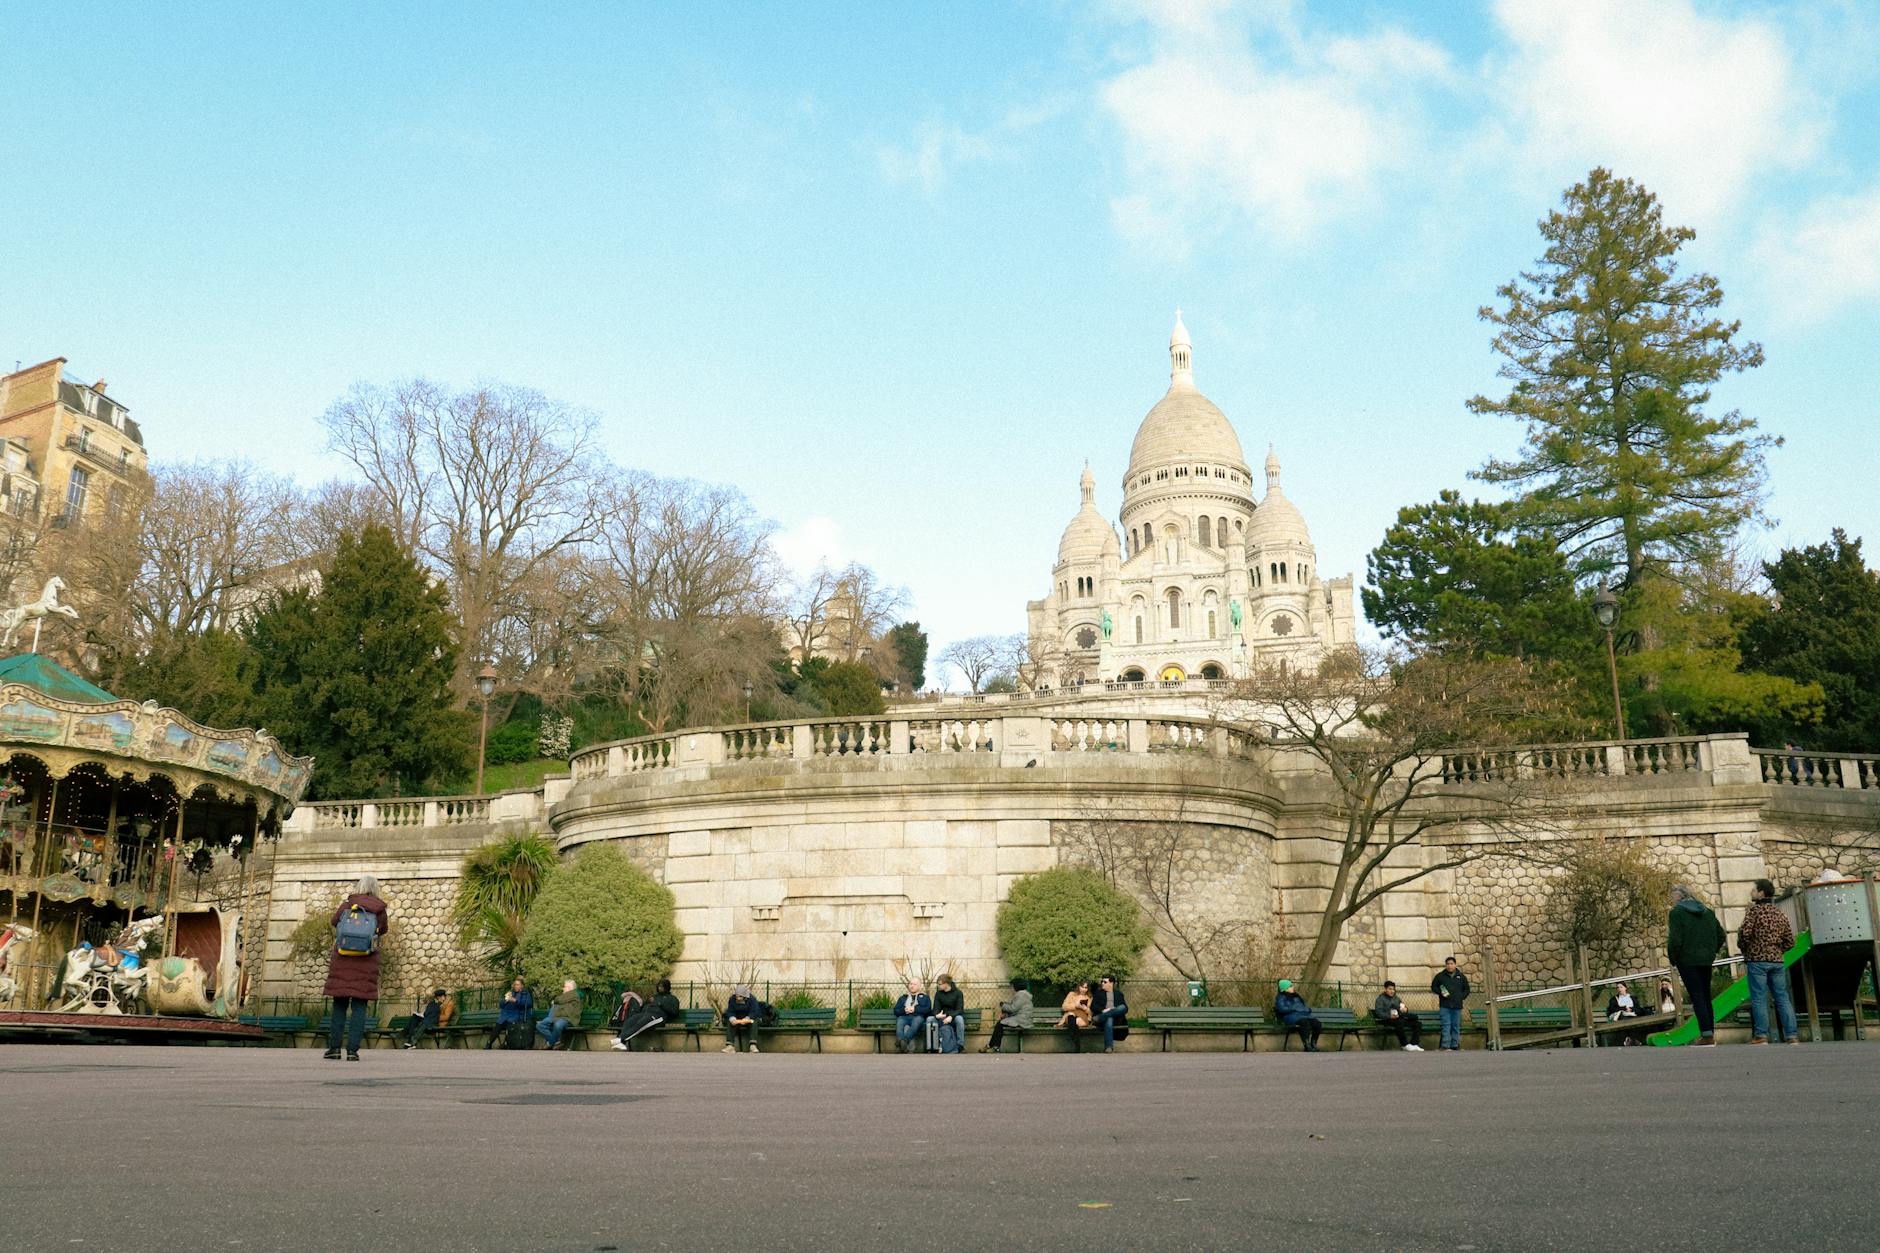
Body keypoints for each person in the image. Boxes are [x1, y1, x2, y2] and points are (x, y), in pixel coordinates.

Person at [322, 875, 389, 1061]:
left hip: (342, 961)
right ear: (375, 889)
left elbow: (334, 922)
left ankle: (334, 1048)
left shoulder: (346, 905)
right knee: (359, 1008)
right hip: (366, 963)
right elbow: (383, 930)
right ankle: (352, 1051)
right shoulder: (379, 910)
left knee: (339, 1007)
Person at [1739, 878, 1800, 1045]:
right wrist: (1778, 951)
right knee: (1782, 997)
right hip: (1777, 961)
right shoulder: (1779, 913)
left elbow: (1744, 934)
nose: (1751, 892)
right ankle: (1792, 1035)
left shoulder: (1754, 912)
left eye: (1754, 890)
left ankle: (1761, 1035)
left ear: (1761, 893)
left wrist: (1746, 949)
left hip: (1757, 960)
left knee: (1759, 998)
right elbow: (1789, 940)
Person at [1666, 885, 1726, 1047]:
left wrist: (1673, 958)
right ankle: (1709, 1033)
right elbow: (1721, 935)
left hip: (1687, 960)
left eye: (1673, 896)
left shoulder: (1677, 913)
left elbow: (1675, 939)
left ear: (1679, 897)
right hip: (1705, 960)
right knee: (1705, 996)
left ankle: (1706, 1036)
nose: (1672, 900)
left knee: (1697, 995)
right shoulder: (1707, 912)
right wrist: (1711, 951)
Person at [613, 978, 683, 1051]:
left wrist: (660, 1004)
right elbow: (644, 1006)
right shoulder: (655, 997)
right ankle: (622, 1041)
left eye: (662, 987)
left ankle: (621, 1040)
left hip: (658, 1017)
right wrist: (647, 1003)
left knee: (641, 1023)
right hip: (646, 1014)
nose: (660, 988)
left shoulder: (672, 998)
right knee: (630, 1020)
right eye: (659, 986)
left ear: (667, 987)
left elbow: (675, 1012)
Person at [981, 978, 1034, 1053]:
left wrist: (1002, 1005)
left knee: (1000, 1024)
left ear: (1017, 986)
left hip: (1022, 1020)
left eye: (1013, 986)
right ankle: (993, 1045)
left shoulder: (1021, 995)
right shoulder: (1025, 994)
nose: (1013, 988)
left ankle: (993, 1045)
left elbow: (1013, 1009)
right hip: (1024, 1019)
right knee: (1000, 1024)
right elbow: (1016, 1008)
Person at [1431, 956, 1470, 1052]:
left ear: (1455, 964)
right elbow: (1433, 987)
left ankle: (1454, 1045)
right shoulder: (1440, 976)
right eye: (1448, 964)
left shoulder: (1461, 977)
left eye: (1451, 964)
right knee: (1446, 1025)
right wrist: (1441, 992)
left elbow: (1467, 989)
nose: (1449, 966)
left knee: (1455, 1026)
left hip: (1457, 1005)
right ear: (1446, 965)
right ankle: (1445, 1045)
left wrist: (1461, 996)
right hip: (1445, 1005)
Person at [1372, 980, 1423, 1051]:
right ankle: (1404, 1045)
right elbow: (1379, 1012)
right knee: (1400, 1022)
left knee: (1418, 1024)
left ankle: (1413, 1044)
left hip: (1398, 1018)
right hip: (1387, 1020)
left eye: (1393, 989)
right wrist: (1390, 1016)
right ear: (1385, 989)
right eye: (1390, 989)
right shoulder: (1380, 999)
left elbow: (1403, 1006)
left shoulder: (1396, 998)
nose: (1392, 991)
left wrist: (1405, 1009)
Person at [1274, 979, 1322, 1051]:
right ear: (1285, 988)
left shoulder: (1296, 996)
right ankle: (1307, 1045)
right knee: (1304, 1023)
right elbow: (1281, 1009)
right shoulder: (1280, 997)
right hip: (1290, 1016)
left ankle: (1313, 1044)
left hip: (1303, 1015)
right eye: (1290, 986)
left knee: (1317, 1023)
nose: (1292, 987)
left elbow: (1303, 1006)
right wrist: (1293, 1008)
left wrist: (1306, 1009)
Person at [536, 979, 583, 1049]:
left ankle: (550, 1043)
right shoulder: (565, 997)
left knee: (558, 1025)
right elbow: (558, 1004)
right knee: (540, 1025)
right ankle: (555, 1042)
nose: (563, 988)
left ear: (570, 988)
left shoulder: (574, 994)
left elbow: (558, 1000)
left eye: (564, 987)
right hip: (557, 1017)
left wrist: (555, 1002)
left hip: (568, 1019)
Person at [489, 977, 533, 1049]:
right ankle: (489, 1043)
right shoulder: (511, 993)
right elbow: (501, 1005)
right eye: (515, 985)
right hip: (506, 1016)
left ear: (522, 986)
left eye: (518, 985)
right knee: (498, 1025)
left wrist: (515, 1001)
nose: (516, 986)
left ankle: (506, 1044)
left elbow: (528, 1004)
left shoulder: (525, 993)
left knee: (510, 1025)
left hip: (517, 1016)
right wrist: (506, 999)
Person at [1089, 975, 1128, 1053]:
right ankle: (1109, 1047)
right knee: (1109, 1019)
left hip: (1115, 1018)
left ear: (1111, 983)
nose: (1102, 983)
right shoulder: (1098, 993)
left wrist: (1111, 1010)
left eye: (1105, 982)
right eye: (1102, 982)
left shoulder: (1118, 994)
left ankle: (1100, 1017)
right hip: (1103, 1019)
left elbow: (1125, 1009)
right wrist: (1103, 1010)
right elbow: (1093, 1007)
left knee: (1123, 1007)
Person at [930, 973, 967, 1054]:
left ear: (946, 984)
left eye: (940, 984)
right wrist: (937, 1015)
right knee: (930, 1019)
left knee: (959, 1019)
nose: (938, 986)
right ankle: (933, 1046)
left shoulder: (958, 993)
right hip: (941, 1018)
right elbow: (935, 1008)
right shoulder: (939, 994)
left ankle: (960, 1045)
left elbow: (960, 1009)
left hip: (953, 1018)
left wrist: (951, 1017)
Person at [893, 980, 931, 1054]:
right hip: (905, 1017)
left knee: (917, 1020)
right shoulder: (903, 998)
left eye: (915, 984)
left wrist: (914, 1009)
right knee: (900, 1020)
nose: (912, 986)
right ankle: (901, 1042)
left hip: (918, 1017)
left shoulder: (925, 997)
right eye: (911, 984)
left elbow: (928, 1010)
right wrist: (904, 1010)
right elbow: (896, 1011)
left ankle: (902, 1042)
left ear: (920, 986)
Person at [723, 985, 764, 1053]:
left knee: (754, 1022)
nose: (738, 998)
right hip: (738, 1019)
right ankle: (730, 1046)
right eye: (737, 996)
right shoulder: (732, 999)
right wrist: (732, 1018)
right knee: (730, 1023)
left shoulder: (752, 999)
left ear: (744, 996)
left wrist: (748, 1018)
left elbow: (755, 1011)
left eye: (740, 996)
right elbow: (730, 1011)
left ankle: (752, 1045)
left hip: (750, 1018)